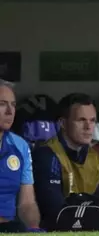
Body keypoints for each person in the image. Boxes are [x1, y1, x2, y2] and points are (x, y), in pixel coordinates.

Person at [32, 93, 99, 229]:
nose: (88, 127)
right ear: (63, 123)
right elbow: (54, 212)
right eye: (81, 120)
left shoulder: (95, 158)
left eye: (92, 120)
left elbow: (98, 204)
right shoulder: (47, 155)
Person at [0, 80, 41, 233]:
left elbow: (27, 203)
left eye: (13, 105)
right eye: (2, 104)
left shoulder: (20, 146)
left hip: (10, 228)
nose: (10, 111)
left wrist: (33, 227)